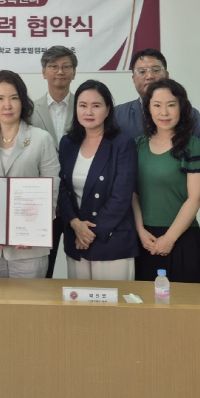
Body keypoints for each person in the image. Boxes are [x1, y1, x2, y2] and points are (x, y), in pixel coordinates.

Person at [0, 71, 60, 278]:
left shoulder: (41, 138)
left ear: (22, 101)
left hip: (29, 246)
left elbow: (52, 188)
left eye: (13, 98)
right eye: (0, 98)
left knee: (28, 307)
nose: (6, 105)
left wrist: (34, 230)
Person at [133, 78, 200, 283]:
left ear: (182, 107)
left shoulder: (193, 146)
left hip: (182, 237)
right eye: (157, 106)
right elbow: (133, 193)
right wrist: (140, 231)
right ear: (148, 109)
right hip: (145, 240)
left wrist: (169, 238)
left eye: (171, 105)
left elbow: (196, 198)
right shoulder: (137, 146)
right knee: (146, 308)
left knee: (184, 308)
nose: (164, 113)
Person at [58, 80, 137, 281]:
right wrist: (75, 224)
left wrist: (90, 233)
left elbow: (121, 195)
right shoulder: (68, 142)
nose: (89, 112)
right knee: (79, 307)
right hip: (76, 238)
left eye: (96, 106)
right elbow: (61, 188)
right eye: (83, 105)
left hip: (111, 239)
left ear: (108, 109)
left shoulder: (122, 143)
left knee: (113, 308)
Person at [30, 46, 77, 278]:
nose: (60, 71)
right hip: (42, 200)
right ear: (44, 72)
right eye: (54, 67)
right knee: (41, 267)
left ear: (74, 72)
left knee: (79, 263)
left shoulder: (86, 106)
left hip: (78, 199)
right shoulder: (29, 110)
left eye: (66, 66)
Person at [114, 49, 200, 144]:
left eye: (156, 70)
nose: (149, 76)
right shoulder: (117, 114)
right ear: (133, 79)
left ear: (166, 75)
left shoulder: (190, 113)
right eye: (142, 72)